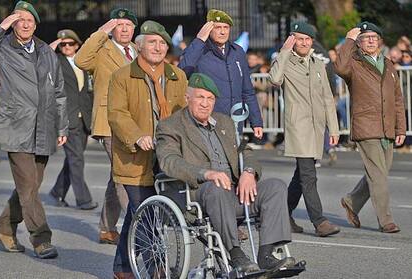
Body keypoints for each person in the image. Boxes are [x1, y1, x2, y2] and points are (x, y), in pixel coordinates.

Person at [156, 72, 296, 274]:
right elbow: (169, 161)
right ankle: (236, 254)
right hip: (199, 194)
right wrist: (206, 173)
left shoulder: (224, 122)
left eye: (210, 99)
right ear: (188, 98)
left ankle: (266, 255)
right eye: (200, 97)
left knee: (276, 187)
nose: (205, 103)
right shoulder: (171, 125)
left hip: (234, 193)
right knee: (217, 188)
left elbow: (245, 152)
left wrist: (248, 172)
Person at [108, 20, 187, 279]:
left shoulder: (178, 76)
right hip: (134, 157)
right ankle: (157, 269)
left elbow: (184, 115)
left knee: (139, 213)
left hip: (166, 156)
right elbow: (117, 114)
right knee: (145, 212)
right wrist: (137, 136)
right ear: (139, 46)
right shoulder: (122, 76)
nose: (158, 47)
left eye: (162, 43)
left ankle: (122, 267)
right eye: (152, 42)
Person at [0, 1, 68, 259]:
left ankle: (4, 226)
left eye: (30, 20)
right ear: (12, 22)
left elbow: (59, 92)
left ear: (36, 24)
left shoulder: (46, 51)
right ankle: (41, 239)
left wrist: (62, 125)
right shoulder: (2, 47)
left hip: (44, 127)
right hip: (16, 126)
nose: (25, 24)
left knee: (31, 186)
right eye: (19, 19)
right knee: (27, 185)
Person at [269, 21, 340, 236]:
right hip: (299, 127)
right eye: (299, 39)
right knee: (309, 175)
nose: (304, 43)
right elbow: (274, 79)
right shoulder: (285, 61)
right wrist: (283, 51)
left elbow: (328, 98)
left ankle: (283, 214)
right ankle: (319, 222)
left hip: (317, 128)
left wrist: (334, 129)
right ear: (292, 39)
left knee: (300, 175)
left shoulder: (318, 64)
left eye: (307, 39)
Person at [335, 22, 406, 233]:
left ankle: (352, 201)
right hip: (366, 126)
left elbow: (397, 99)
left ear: (381, 41)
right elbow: (339, 67)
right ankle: (386, 220)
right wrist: (348, 40)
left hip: (387, 128)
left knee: (379, 173)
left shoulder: (388, 63)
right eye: (366, 37)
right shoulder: (354, 63)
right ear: (359, 42)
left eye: (375, 37)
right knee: (379, 175)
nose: (371, 40)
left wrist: (400, 128)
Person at [75, 8, 137, 245]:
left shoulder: (137, 50)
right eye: (119, 25)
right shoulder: (102, 50)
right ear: (112, 28)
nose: (123, 29)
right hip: (110, 121)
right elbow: (81, 60)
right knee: (124, 173)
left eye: (128, 25)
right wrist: (100, 33)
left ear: (134, 29)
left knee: (118, 175)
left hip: (135, 122)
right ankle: (139, 224)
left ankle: (107, 227)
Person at [178, 9, 263, 138]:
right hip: (208, 120)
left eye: (226, 27)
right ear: (209, 29)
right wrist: (199, 40)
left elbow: (247, 90)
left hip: (234, 120)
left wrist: (256, 121)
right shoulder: (198, 50)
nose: (223, 32)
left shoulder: (237, 52)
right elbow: (182, 72)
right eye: (218, 27)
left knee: (233, 158)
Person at [47, 29, 98, 210]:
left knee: (73, 158)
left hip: (83, 118)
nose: (66, 47)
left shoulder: (84, 62)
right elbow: (41, 65)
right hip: (66, 119)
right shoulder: (56, 62)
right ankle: (83, 199)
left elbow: (88, 91)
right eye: (63, 44)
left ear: (77, 45)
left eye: (70, 43)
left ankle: (57, 191)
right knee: (76, 159)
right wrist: (50, 49)